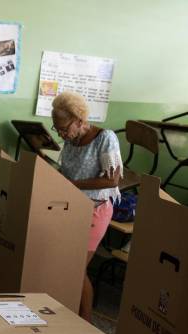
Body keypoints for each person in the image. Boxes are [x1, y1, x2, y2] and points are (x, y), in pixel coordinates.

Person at [51, 91, 122, 322]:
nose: (61, 134)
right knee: (64, 262)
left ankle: (86, 320)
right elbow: (65, 172)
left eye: (64, 128)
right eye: (57, 129)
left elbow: (112, 180)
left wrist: (73, 184)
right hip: (72, 206)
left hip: (96, 208)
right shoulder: (71, 142)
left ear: (80, 121)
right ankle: (69, 314)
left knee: (76, 267)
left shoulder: (105, 138)